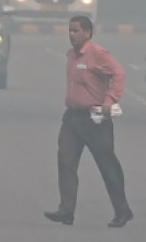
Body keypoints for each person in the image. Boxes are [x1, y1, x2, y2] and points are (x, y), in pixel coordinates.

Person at [44, 15, 134, 228]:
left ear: (88, 33)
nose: (71, 35)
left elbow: (119, 74)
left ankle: (122, 210)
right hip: (73, 118)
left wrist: (110, 100)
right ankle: (66, 210)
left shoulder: (97, 54)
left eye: (76, 31)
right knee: (66, 161)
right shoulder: (71, 56)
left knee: (106, 164)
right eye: (70, 30)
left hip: (95, 119)